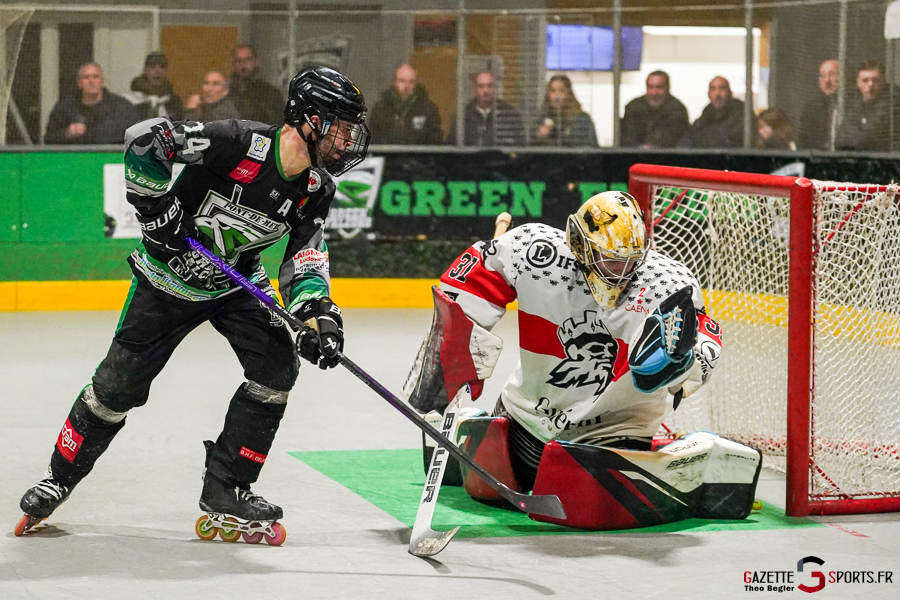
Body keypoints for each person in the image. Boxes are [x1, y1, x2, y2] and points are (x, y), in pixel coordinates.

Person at [15, 66, 371, 541]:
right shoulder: (239, 143)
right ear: (309, 120)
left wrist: (318, 315)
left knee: (278, 366)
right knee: (116, 389)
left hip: (236, 285)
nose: (348, 143)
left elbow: (304, 256)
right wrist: (155, 210)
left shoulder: (315, 190)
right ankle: (59, 477)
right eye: (341, 129)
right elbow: (147, 139)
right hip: (167, 281)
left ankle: (228, 488)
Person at [407, 191, 722, 498]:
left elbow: (706, 341)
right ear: (580, 246)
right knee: (486, 489)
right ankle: (471, 424)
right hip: (525, 418)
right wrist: (455, 349)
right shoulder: (535, 250)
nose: (621, 273)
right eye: (610, 260)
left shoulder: (666, 284)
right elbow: (463, 285)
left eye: (630, 261)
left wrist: (680, 363)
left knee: (588, 500)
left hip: (614, 431)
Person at [44, 62, 139, 144]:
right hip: (74, 160)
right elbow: (48, 139)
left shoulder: (122, 107)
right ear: (79, 83)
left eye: (95, 77)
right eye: (86, 77)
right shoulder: (64, 107)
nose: (91, 81)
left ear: (102, 81)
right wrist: (67, 133)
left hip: (111, 159)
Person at [446, 70, 525, 146]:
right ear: (475, 89)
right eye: (481, 86)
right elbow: (452, 144)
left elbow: (520, 143)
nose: (486, 90)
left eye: (489, 86)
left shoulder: (508, 114)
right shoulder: (464, 115)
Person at [369, 63, 443, 145]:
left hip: (418, 156)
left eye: (411, 82)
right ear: (394, 82)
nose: (406, 86)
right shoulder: (381, 109)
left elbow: (436, 143)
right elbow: (373, 141)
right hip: (389, 156)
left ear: (416, 84)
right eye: (402, 81)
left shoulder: (428, 109)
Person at [835, 61, 900, 152]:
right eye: (865, 80)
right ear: (858, 83)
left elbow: (868, 137)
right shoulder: (860, 103)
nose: (870, 85)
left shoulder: (894, 98)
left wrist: (855, 135)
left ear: (884, 81)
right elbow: (839, 140)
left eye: (875, 80)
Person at [620, 71, 689, 148]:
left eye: (659, 87)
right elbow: (627, 139)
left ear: (668, 88)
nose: (654, 93)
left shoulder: (678, 110)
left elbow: (673, 141)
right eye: (650, 87)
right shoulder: (633, 107)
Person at [680, 76, 745, 149]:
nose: (717, 94)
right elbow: (689, 138)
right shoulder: (706, 115)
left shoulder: (742, 114)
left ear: (730, 93)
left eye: (722, 89)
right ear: (708, 94)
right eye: (713, 89)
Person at [533, 74, 598, 147]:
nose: (557, 96)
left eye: (562, 90)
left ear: (569, 93)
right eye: (553, 91)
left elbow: (590, 151)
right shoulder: (542, 119)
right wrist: (539, 138)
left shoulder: (582, 119)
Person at [229, 45, 285, 124]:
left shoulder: (271, 93)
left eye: (248, 59)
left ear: (256, 62)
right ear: (234, 64)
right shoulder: (228, 93)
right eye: (239, 61)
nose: (243, 65)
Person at [126, 52, 184, 121]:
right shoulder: (131, 100)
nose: (157, 71)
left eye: (162, 67)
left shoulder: (173, 101)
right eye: (152, 67)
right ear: (145, 71)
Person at [797, 59, 839, 150]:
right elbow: (803, 139)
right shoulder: (811, 108)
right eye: (823, 76)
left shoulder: (852, 106)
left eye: (832, 75)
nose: (827, 80)